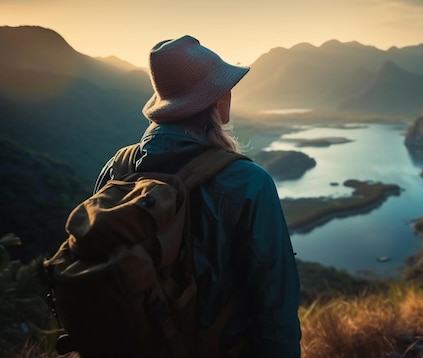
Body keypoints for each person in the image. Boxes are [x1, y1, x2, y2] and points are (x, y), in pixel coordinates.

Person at [94, 35, 302, 357]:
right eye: (225, 85)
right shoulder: (248, 182)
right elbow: (274, 302)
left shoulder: (116, 169)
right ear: (217, 99)